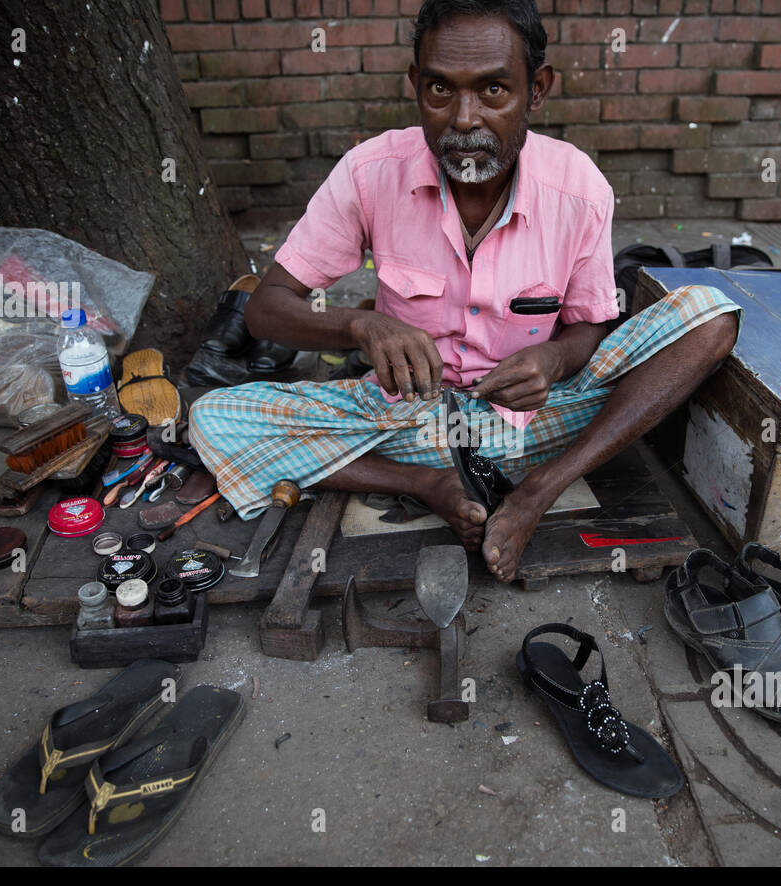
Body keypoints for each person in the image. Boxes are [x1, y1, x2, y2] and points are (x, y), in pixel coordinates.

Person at [189, 0, 742, 583]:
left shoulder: (579, 188)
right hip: (408, 419)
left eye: (495, 91)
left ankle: (535, 493)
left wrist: (552, 359)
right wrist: (360, 325)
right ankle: (427, 483)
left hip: (538, 416)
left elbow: (588, 327)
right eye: (439, 91)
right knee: (213, 417)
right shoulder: (368, 173)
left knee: (709, 313)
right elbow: (265, 309)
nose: (463, 118)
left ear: (537, 89)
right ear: (415, 87)